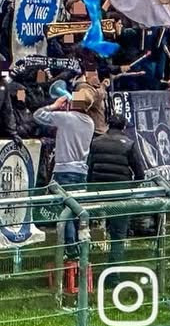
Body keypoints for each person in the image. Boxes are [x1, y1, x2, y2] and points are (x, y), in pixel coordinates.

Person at [34, 89, 94, 255]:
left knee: (65, 210)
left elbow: (38, 115)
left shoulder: (66, 118)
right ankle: (78, 245)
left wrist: (54, 106)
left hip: (64, 170)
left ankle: (70, 248)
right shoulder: (90, 122)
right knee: (76, 209)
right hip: (81, 172)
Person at [87, 114, 145, 261]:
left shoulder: (95, 142)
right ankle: (113, 274)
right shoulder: (129, 144)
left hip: (98, 194)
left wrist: (90, 189)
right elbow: (140, 173)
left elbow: (90, 168)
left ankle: (87, 264)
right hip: (120, 194)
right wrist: (130, 188)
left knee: (86, 229)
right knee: (118, 234)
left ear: (108, 124)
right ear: (124, 127)